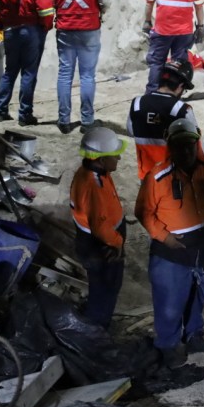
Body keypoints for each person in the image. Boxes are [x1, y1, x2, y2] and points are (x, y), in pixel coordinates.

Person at [136, 119, 204, 368]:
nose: (186, 151)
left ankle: (194, 335)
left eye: (190, 145)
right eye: (180, 146)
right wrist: (164, 237)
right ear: (170, 146)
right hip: (172, 253)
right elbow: (144, 212)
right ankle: (168, 345)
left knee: (198, 296)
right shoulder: (157, 177)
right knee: (170, 303)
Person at [69, 127, 128, 329]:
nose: (119, 158)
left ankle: (97, 325)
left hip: (96, 243)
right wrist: (117, 242)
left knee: (101, 288)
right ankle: (96, 332)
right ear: (101, 159)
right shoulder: (94, 184)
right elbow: (101, 227)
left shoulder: (94, 172)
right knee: (106, 289)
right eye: (114, 155)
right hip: (102, 246)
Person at [52, 0, 109, 134]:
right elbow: (105, 0)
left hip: (65, 30)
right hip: (89, 30)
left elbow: (53, 2)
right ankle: (87, 121)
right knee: (87, 76)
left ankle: (64, 121)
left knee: (65, 74)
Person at [142, 0, 204, 93]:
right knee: (179, 65)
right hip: (184, 34)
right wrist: (201, 26)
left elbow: (149, 4)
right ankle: (174, 95)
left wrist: (147, 22)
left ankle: (152, 93)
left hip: (162, 32)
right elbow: (199, 8)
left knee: (157, 63)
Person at [127, 59, 198, 184]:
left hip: (146, 177)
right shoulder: (182, 109)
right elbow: (196, 145)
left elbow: (131, 130)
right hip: (173, 178)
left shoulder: (137, 103)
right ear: (180, 86)